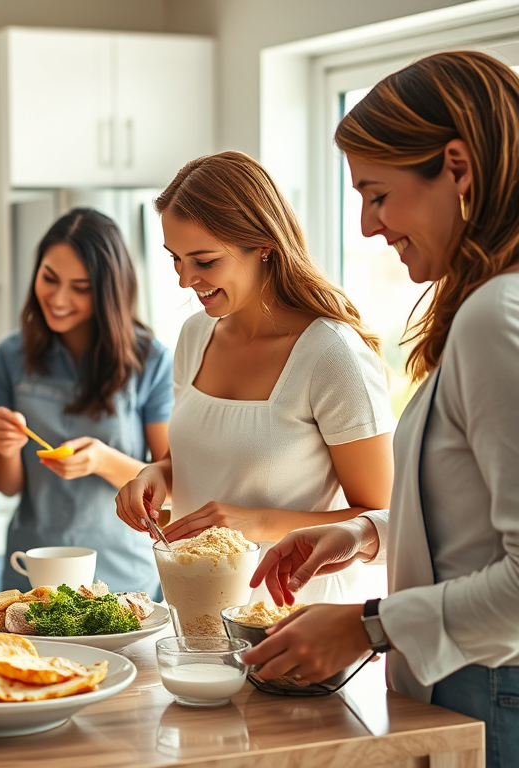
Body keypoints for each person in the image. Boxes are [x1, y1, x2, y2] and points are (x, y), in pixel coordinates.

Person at [243, 51, 519, 767]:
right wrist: (366, 535)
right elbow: (479, 527)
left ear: (457, 168)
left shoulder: (497, 316)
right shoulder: (493, 308)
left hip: (491, 691)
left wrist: (367, 626)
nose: (368, 226)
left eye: (378, 194)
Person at [115, 151, 395, 605]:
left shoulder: (331, 354)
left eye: (204, 261)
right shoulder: (195, 335)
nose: (186, 280)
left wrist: (257, 522)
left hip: (294, 614)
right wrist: (157, 476)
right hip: (196, 606)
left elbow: (381, 518)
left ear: (263, 243)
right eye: (175, 259)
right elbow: (199, 462)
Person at [0, 208, 173, 595]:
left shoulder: (150, 360)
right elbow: (7, 486)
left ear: (109, 290)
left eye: (81, 287)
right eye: (49, 278)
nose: (58, 298)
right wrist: (5, 447)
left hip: (122, 574)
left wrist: (103, 461)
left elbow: (172, 484)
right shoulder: (10, 355)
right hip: (32, 572)